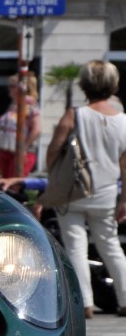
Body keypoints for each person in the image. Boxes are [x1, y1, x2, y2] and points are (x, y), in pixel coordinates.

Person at [45, 60, 126, 319]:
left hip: (73, 192)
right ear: (113, 85)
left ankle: (85, 303)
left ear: (84, 85)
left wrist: (54, 176)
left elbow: (54, 149)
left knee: (75, 246)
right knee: (111, 245)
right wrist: (124, 200)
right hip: (106, 193)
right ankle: (124, 299)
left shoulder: (75, 114)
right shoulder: (123, 121)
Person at [0, 72, 41, 178]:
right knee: (5, 186)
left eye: (12, 86)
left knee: (13, 186)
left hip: (20, 152)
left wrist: (23, 147)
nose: (9, 89)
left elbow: (37, 129)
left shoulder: (29, 104)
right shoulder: (14, 104)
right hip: (7, 150)